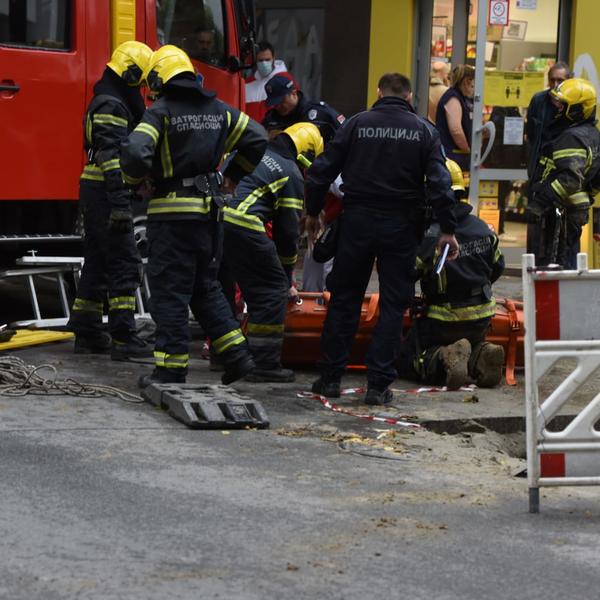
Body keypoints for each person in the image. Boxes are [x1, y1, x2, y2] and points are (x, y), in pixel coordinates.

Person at [304, 72, 459, 406]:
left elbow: (320, 171)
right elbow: (440, 183)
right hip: (401, 225)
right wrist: (447, 229)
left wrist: (313, 212)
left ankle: (330, 378)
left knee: (344, 299)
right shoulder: (424, 130)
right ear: (409, 96)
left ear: (379, 92)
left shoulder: (356, 124)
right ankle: (378, 386)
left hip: (356, 222)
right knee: (393, 303)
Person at [120, 45, 268, 387]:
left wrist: (135, 181)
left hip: (171, 218)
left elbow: (135, 152)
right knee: (205, 287)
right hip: (209, 216)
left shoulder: (160, 112)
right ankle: (237, 356)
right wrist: (233, 175)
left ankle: (170, 370)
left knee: (170, 293)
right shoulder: (219, 110)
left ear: (159, 79)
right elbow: (258, 137)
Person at [67, 40, 154, 361]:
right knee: (125, 262)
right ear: (130, 74)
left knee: (99, 261)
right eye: (140, 79)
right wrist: (119, 203)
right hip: (106, 191)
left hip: (99, 190)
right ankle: (123, 335)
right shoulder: (111, 105)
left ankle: (87, 330)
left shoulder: (109, 98)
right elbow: (111, 156)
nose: (141, 88)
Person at [223, 123, 324, 382]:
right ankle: (265, 365)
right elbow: (287, 234)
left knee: (224, 289)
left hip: (214, 221)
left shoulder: (251, 152)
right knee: (270, 292)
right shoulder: (290, 172)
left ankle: (227, 355)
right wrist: (286, 277)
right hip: (244, 224)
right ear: (307, 153)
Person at [397, 160, 506, 390]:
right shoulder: (483, 227)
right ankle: (480, 354)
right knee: (471, 341)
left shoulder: (433, 234)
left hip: (443, 320)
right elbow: (498, 266)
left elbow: (410, 272)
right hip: (482, 317)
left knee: (407, 357)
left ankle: (443, 356)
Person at [526, 78, 600, 269]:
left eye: (562, 105)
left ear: (576, 109)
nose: (557, 108)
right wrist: (588, 195)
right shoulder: (591, 133)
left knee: (554, 267)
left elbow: (570, 179)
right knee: (567, 262)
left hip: (558, 211)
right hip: (571, 212)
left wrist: (540, 203)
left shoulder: (571, 137)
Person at [262, 74, 345, 143]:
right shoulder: (270, 119)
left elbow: (346, 134)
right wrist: (267, 138)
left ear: (293, 93)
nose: (278, 106)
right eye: (274, 103)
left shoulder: (321, 113)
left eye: (281, 101)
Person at [525, 62, 572, 179]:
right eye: (552, 80)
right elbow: (530, 132)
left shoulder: (574, 103)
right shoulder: (538, 100)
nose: (555, 84)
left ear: (569, 81)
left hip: (564, 166)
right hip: (539, 165)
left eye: (560, 80)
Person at [435, 64, 475, 172]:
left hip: (455, 156)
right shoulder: (453, 98)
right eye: (473, 85)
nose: (473, 89)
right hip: (452, 157)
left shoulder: (460, 97)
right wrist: (467, 149)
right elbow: (456, 130)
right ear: (466, 81)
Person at [245, 41, 295, 123]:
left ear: (273, 59)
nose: (264, 63)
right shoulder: (247, 84)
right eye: (260, 60)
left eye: (267, 60)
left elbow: (293, 108)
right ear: (255, 61)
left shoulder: (286, 80)